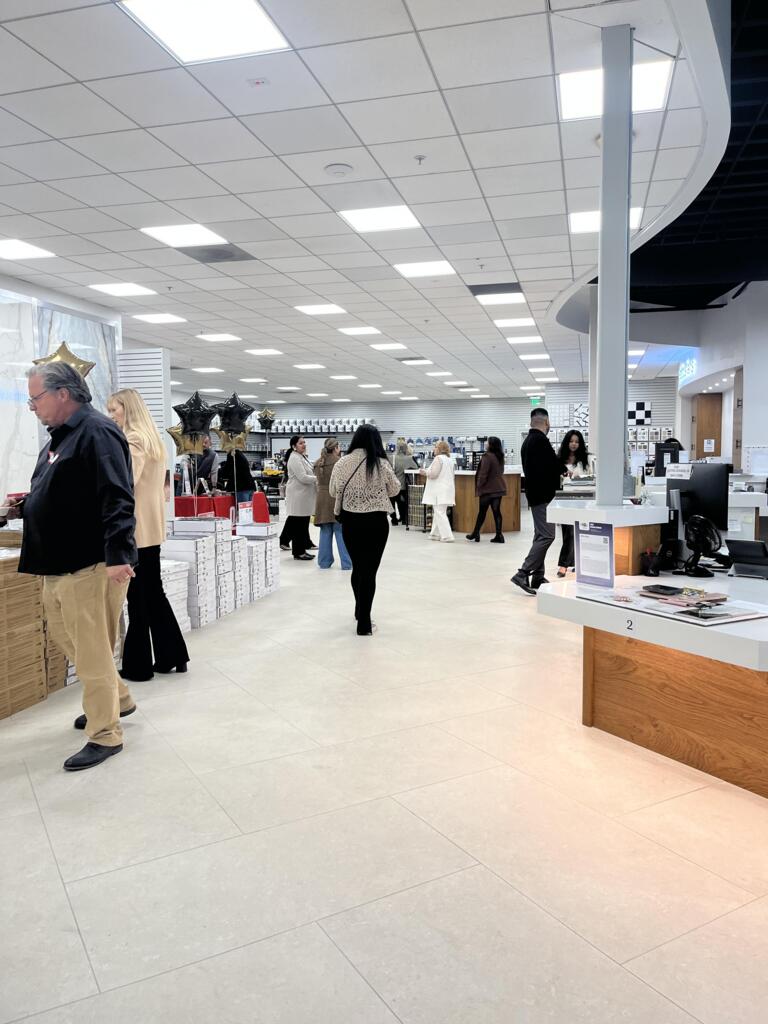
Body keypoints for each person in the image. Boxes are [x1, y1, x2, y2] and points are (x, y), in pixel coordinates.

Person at [6, 363, 137, 771]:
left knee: (92, 651)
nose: (32, 407)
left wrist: (118, 556)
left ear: (63, 394)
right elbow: (64, 492)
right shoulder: (63, 437)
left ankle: (105, 733)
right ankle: (118, 698)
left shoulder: (98, 432)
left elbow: (117, 496)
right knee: (71, 641)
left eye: (35, 398)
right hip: (57, 564)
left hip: (89, 564)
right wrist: (23, 506)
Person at [107, 388, 189, 681]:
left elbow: (125, 482)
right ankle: (172, 655)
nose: (111, 416)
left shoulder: (134, 440)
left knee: (138, 598)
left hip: (135, 530)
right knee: (152, 593)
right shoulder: (153, 439)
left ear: (128, 409)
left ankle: (138, 666)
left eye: (114, 410)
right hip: (150, 529)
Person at [329, 424, 400, 636]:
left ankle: (360, 611)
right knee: (370, 571)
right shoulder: (381, 463)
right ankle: (364, 623)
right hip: (376, 522)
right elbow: (395, 488)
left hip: (350, 521)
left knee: (358, 568)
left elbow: (333, 490)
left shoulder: (342, 462)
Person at [512, 407, 563, 596]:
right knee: (547, 536)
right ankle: (523, 573)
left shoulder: (528, 441)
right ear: (547, 423)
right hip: (543, 496)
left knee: (540, 535)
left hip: (535, 494)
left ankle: (538, 576)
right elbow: (554, 465)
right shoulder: (540, 440)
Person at [313, 438, 352, 570]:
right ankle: (346, 563)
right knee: (340, 531)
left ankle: (324, 562)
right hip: (336, 498)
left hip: (321, 499)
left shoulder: (318, 463)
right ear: (336, 448)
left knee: (325, 531)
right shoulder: (340, 462)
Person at [556, 429, 589, 578]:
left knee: (579, 532)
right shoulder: (559, 458)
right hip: (565, 498)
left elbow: (590, 477)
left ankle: (571, 563)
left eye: (577, 441)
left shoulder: (585, 459)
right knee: (568, 532)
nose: (574, 444)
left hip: (582, 499)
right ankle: (566, 564)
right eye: (571, 441)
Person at [279, 435, 317, 560]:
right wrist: (318, 479)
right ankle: (299, 552)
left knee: (302, 524)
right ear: (294, 446)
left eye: (304, 442)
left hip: (304, 496)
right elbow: (303, 477)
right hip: (298, 496)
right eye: (301, 443)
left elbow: (309, 471)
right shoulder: (294, 458)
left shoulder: (301, 457)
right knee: (299, 525)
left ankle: (301, 550)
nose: (304, 444)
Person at [466, 436, 507, 543]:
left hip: (487, 489)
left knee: (482, 512)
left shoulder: (487, 456)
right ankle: (499, 535)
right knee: (496, 512)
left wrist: (479, 486)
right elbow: (501, 471)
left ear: (491, 445)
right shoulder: (500, 456)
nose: (485, 444)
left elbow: (483, 473)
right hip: (498, 488)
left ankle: (476, 533)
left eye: (487, 442)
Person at [420, 440, 455, 542]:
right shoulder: (449, 460)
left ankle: (447, 536)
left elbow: (433, 474)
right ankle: (434, 534)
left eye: (435, 447)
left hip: (439, 490)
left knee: (439, 512)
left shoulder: (438, 459)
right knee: (438, 512)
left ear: (440, 449)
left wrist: (425, 472)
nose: (434, 449)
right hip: (447, 489)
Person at [391, 439, 418, 525]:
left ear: (397, 448)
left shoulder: (392, 458)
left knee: (392, 503)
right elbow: (416, 467)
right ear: (406, 448)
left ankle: (394, 520)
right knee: (402, 503)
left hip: (392, 485)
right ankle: (403, 519)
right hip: (402, 485)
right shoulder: (409, 458)